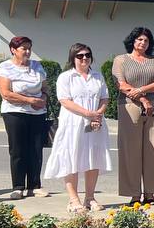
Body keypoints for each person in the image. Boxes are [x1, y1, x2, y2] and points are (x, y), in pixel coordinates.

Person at [43, 43, 110, 212]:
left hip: (95, 123)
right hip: (73, 124)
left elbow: (104, 98)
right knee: (71, 158)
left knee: (93, 158)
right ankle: (73, 200)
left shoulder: (97, 76)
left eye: (87, 55)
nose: (84, 58)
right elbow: (65, 101)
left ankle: (90, 198)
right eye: (80, 56)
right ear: (73, 58)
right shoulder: (66, 77)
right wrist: (88, 113)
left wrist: (98, 114)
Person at [113, 26, 154, 204]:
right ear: (133, 41)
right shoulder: (121, 60)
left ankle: (151, 192)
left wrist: (142, 90)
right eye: (140, 39)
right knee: (130, 150)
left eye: (146, 40)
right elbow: (121, 84)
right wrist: (143, 99)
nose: (143, 43)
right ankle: (134, 193)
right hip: (130, 106)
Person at [0, 35, 50, 199]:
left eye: (29, 48)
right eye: (23, 48)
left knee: (36, 149)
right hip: (14, 112)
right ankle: (18, 186)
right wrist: (29, 100)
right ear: (13, 50)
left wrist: (43, 100)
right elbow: (6, 93)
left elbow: (45, 88)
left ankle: (34, 186)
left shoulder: (37, 66)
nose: (27, 51)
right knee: (18, 149)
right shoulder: (5, 67)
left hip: (37, 113)